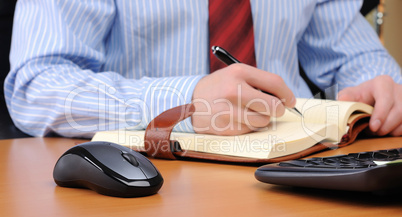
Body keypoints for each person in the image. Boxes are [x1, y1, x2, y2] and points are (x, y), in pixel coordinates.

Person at [5, 0, 402, 139]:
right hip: (149, 179)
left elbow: (354, 56)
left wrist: (385, 89)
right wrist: (186, 104)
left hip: (298, 166)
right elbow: (37, 83)